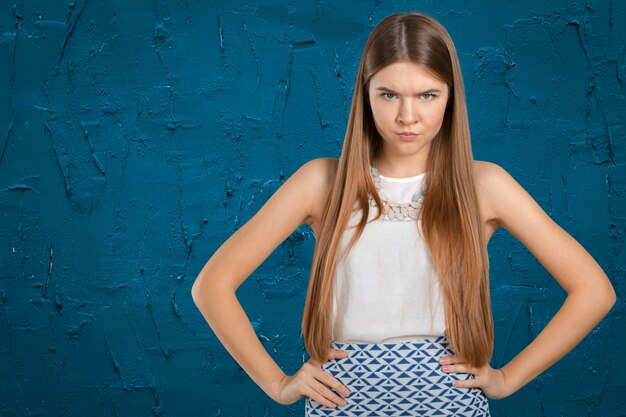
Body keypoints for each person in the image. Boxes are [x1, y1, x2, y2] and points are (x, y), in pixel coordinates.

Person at [191, 12, 615, 416]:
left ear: (451, 98)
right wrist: (278, 384)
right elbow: (211, 286)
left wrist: (505, 379)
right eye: (389, 94)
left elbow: (594, 291)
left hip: (448, 404)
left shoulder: (483, 185)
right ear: (365, 94)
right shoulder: (323, 182)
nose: (407, 116)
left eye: (427, 95)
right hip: (342, 403)